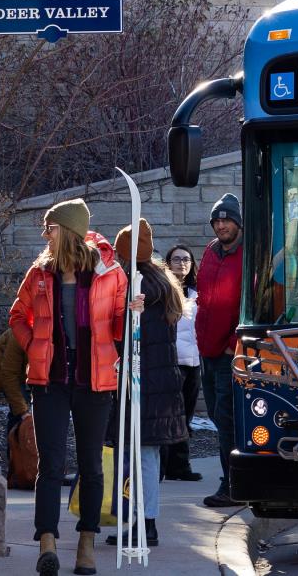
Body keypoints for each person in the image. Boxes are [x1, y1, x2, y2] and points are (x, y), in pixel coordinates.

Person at [9, 198, 129, 576]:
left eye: (51, 227)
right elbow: (17, 314)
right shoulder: (40, 273)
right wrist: (34, 346)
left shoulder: (110, 273)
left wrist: (133, 313)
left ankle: (87, 542)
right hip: (51, 382)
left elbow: (120, 324)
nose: (45, 234)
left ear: (69, 231)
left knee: (92, 466)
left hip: (95, 382)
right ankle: (47, 541)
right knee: (51, 465)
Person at [106, 220, 187, 549]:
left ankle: (144, 523)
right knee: (147, 456)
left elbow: (128, 338)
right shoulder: (161, 282)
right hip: (160, 382)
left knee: (141, 457)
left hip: (144, 383)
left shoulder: (137, 288)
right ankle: (144, 521)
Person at [195, 193, 244, 508]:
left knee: (226, 420)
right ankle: (237, 480)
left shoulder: (248, 254)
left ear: (237, 222)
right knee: (215, 414)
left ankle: (233, 486)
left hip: (229, 353)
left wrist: (231, 346)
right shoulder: (211, 252)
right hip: (206, 352)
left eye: (226, 219)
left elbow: (248, 304)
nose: (221, 224)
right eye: (217, 220)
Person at [159, 244, 202, 483]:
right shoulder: (163, 290)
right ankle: (162, 466)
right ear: (168, 262)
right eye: (176, 259)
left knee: (186, 416)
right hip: (170, 362)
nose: (182, 263)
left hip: (193, 363)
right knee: (168, 416)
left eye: (186, 259)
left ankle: (180, 466)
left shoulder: (198, 293)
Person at [0, 328, 30, 428]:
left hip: (23, 372)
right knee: (18, 412)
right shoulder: (17, 336)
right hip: (3, 370)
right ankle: (15, 440)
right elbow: (8, 375)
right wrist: (22, 412)